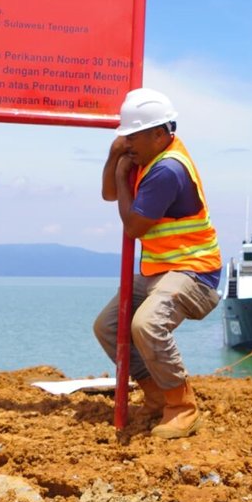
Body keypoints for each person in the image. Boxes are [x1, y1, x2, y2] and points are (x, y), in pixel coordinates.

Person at [92, 88, 222, 439]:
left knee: (146, 325)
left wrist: (122, 176)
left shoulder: (167, 169)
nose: (127, 142)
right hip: (160, 270)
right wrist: (114, 158)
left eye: (133, 135)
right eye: (125, 135)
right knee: (108, 326)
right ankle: (155, 395)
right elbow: (109, 195)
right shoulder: (146, 158)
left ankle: (182, 406)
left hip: (194, 272)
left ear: (160, 134)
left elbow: (133, 227)